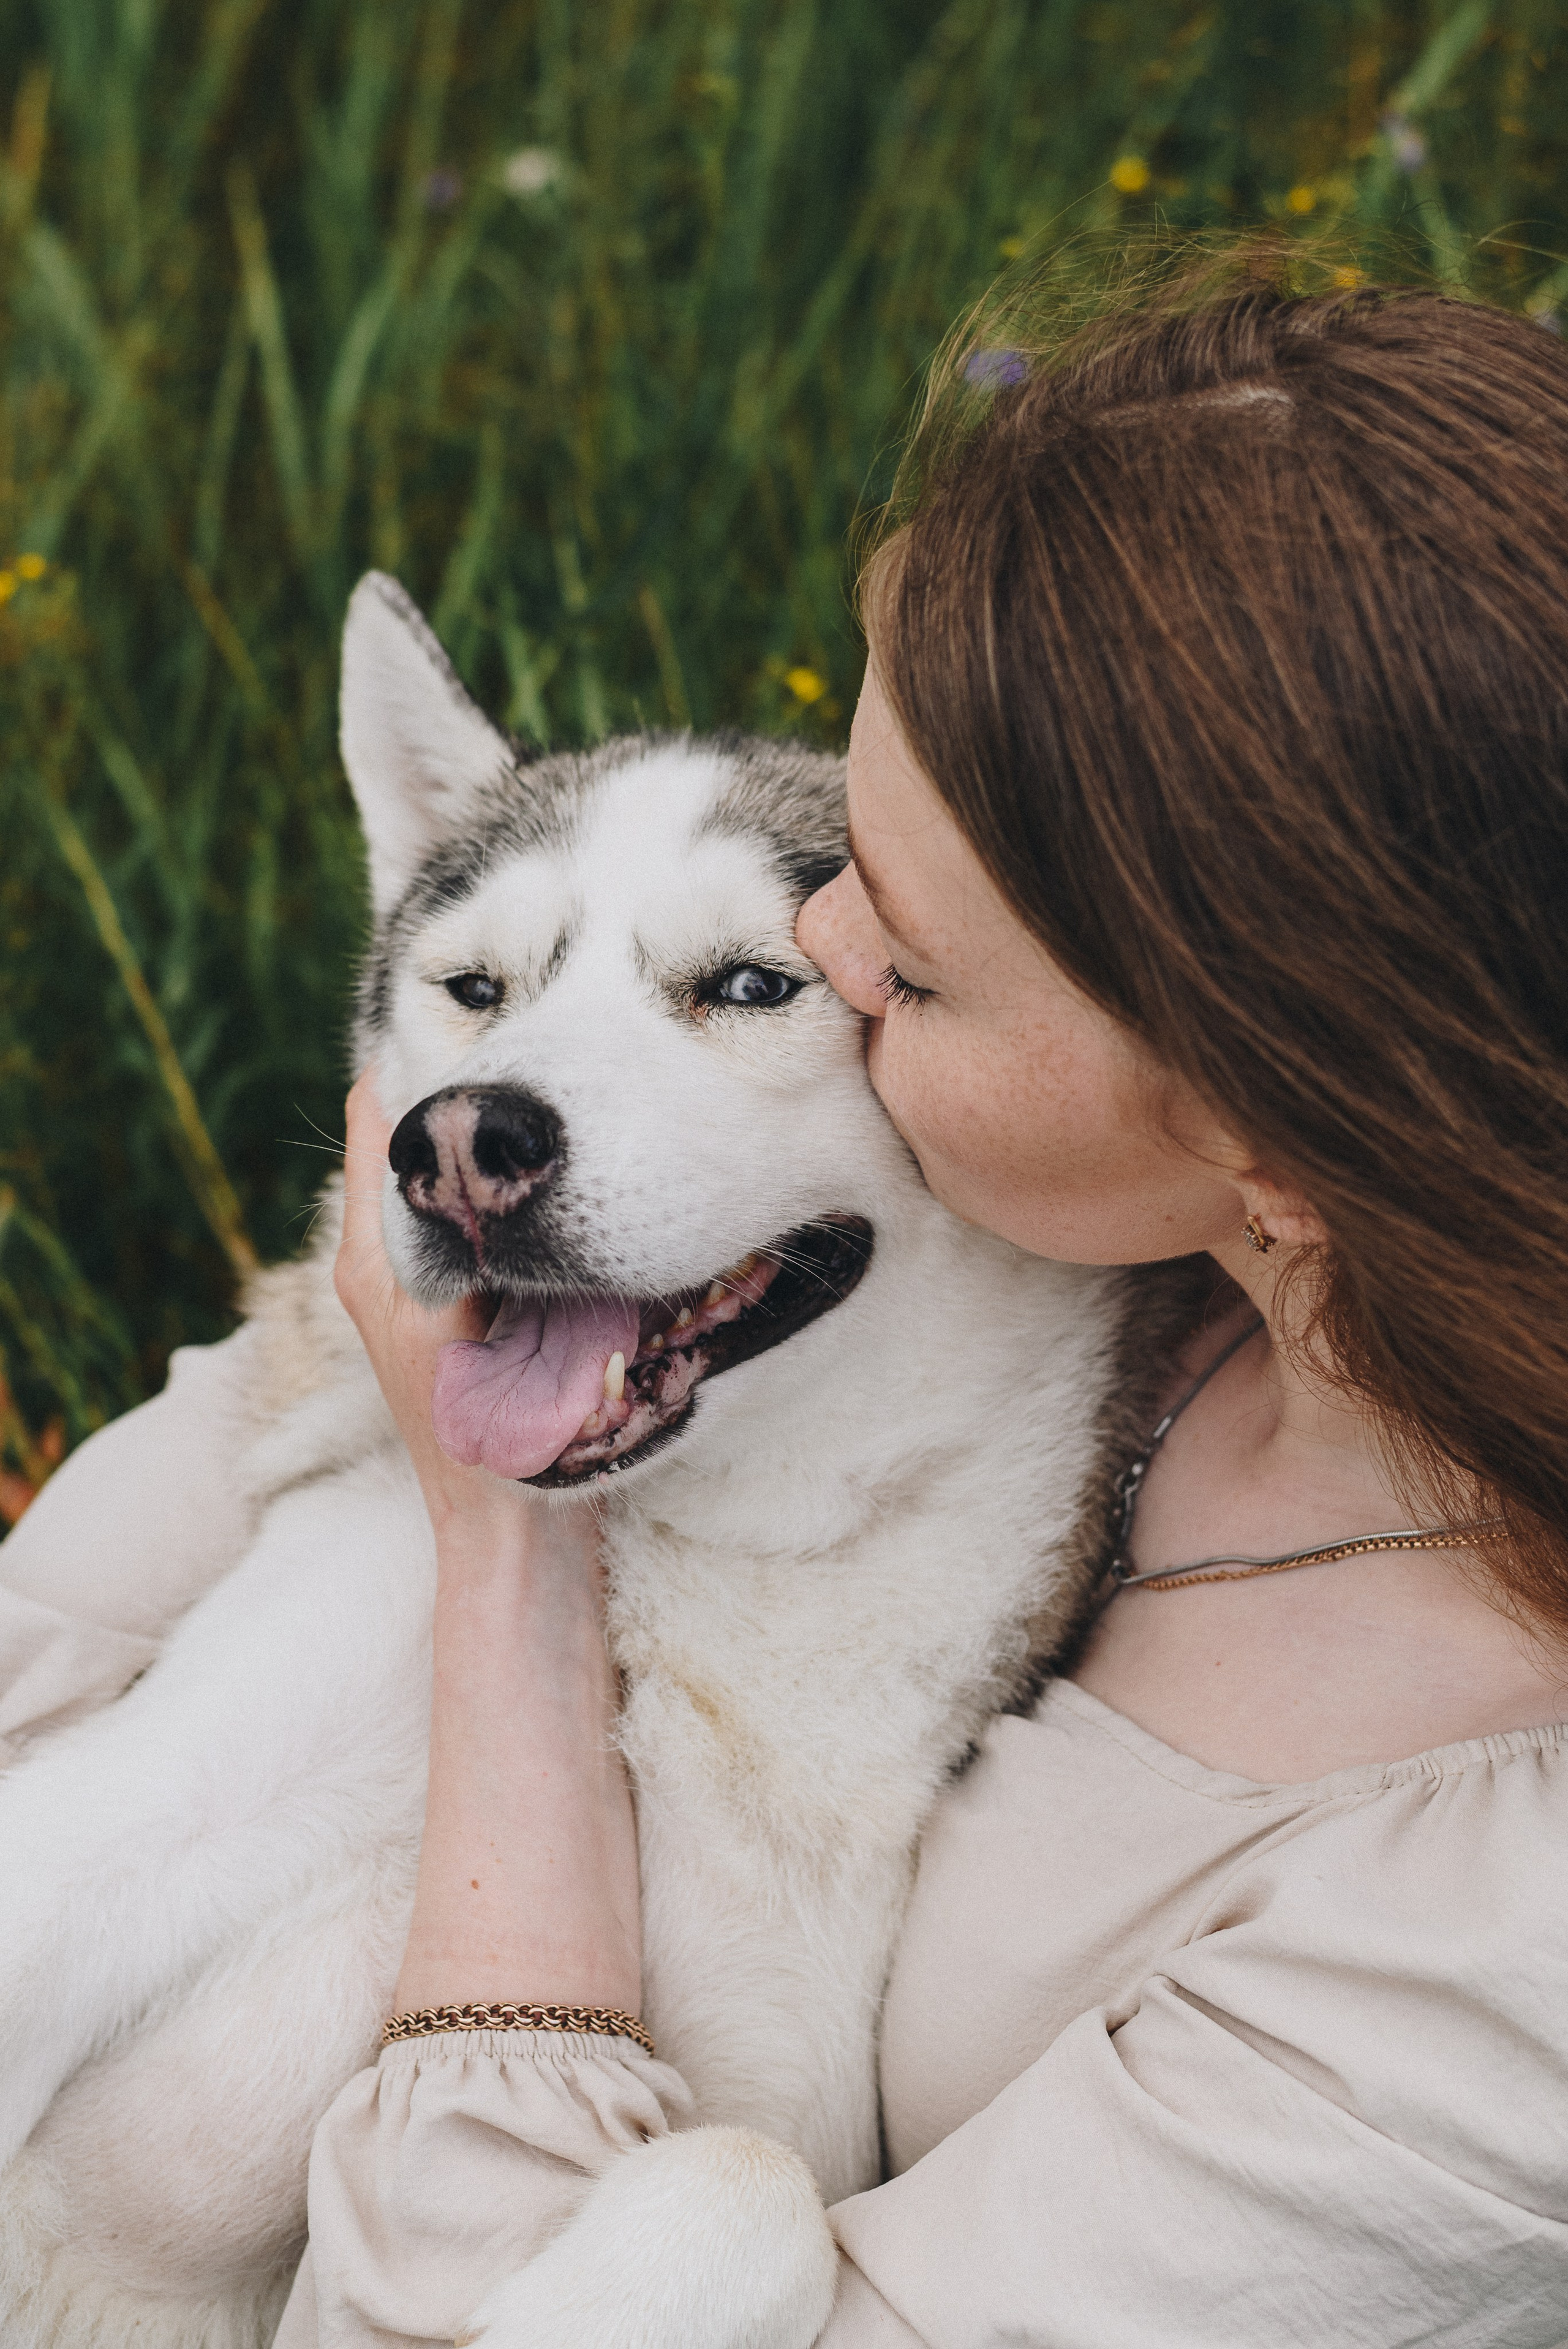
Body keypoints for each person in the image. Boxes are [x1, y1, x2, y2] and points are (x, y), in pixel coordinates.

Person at [13, 259, 1568, 2344]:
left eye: (891, 966)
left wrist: (502, 1577)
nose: (829, 947)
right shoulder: (1143, 1263)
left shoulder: (1485, 1964)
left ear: (1273, 1108)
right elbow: (201, 1489)